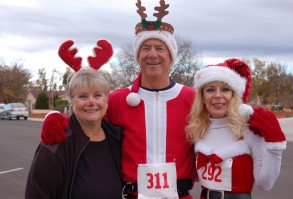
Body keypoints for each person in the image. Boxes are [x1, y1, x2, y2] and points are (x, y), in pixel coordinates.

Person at [40, 1, 197, 198]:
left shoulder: (193, 99)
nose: (152, 54)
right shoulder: (117, 100)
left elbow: (224, 122)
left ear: (171, 56)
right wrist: (54, 118)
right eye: (145, 48)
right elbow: (87, 121)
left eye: (160, 48)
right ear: (137, 55)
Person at [25, 39, 124, 199]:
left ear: (106, 100)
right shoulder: (55, 146)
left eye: (97, 95)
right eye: (83, 96)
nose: (91, 102)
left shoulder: (117, 138)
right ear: (71, 101)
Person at [185, 58, 287, 199]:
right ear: (202, 97)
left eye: (225, 89)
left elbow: (266, 183)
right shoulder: (198, 129)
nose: (218, 95)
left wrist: (275, 146)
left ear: (233, 95)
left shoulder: (247, 129)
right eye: (210, 89)